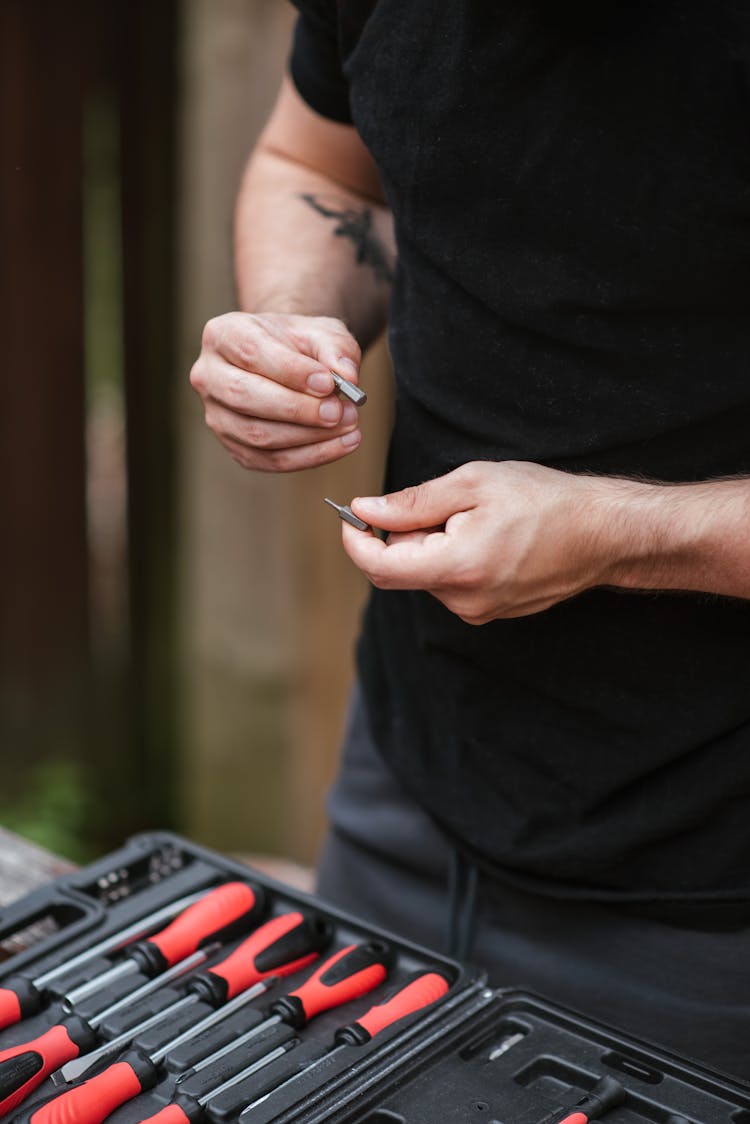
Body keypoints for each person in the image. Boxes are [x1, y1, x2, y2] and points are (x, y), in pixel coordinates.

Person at [189, 1, 750, 1077]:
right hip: (404, 786)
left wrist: (620, 534)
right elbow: (323, 166)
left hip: (711, 902)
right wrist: (293, 321)